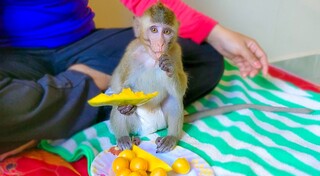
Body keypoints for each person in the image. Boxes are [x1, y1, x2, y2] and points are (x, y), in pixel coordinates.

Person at [0, 0, 268, 158]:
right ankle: (86, 90)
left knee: (202, 55)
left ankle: (50, 113)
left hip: (85, 46)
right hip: (14, 58)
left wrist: (214, 32)